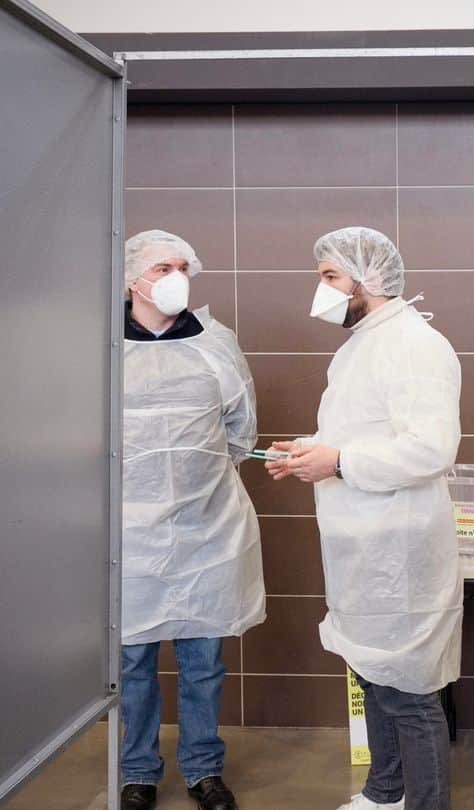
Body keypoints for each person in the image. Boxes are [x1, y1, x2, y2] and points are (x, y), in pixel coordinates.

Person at [263, 226, 462, 810]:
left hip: (397, 550)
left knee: (409, 691)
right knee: (372, 675)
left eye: (328, 277)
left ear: (368, 280)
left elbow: (430, 448)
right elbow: (358, 435)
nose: (320, 290)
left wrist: (339, 460)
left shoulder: (414, 344)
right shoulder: (362, 345)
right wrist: (310, 453)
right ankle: (385, 793)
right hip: (361, 546)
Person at [120, 230, 264, 810]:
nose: (176, 276)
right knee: (132, 665)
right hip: (128, 537)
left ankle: (204, 771)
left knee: (203, 662)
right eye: (162, 267)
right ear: (133, 278)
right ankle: (136, 773)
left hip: (206, 529)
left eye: (182, 266)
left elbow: (241, 432)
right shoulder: (98, 344)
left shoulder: (215, 343)